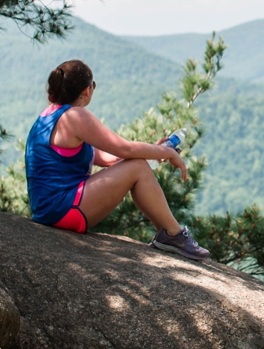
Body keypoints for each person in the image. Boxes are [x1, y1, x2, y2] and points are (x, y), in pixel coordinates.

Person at [24, 59, 210, 260]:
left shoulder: (49, 115)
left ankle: (170, 236)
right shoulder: (75, 116)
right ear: (87, 91)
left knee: (136, 165)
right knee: (138, 167)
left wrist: (154, 150)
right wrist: (168, 153)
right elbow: (125, 148)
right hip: (63, 209)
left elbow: (102, 156)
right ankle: (173, 235)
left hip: (49, 209)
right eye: (93, 85)